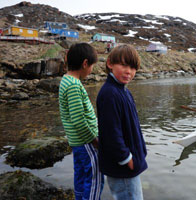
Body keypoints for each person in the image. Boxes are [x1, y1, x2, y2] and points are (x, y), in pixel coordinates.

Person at [96, 44, 147, 200]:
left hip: (129, 164)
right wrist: (127, 159)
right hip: (122, 166)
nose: (129, 71)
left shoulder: (124, 91)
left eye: (133, 67)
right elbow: (111, 132)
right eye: (124, 65)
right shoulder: (110, 93)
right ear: (110, 63)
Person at [59, 43, 104, 200]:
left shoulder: (66, 80)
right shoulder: (73, 85)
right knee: (95, 178)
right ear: (85, 63)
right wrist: (94, 140)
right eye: (91, 66)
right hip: (86, 142)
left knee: (81, 175)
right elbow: (78, 119)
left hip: (77, 142)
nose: (91, 70)